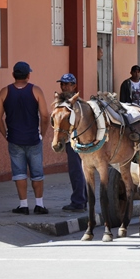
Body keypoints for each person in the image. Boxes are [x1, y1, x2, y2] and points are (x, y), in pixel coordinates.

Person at [0, 61, 49, 215]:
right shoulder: (36, 91)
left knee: (19, 173)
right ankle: (39, 205)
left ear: (13, 75)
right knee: (37, 173)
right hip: (33, 138)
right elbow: (45, 116)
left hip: (14, 139)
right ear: (28, 75)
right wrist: (42, 134)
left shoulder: (4, 92)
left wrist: (5, 133)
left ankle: (23, 205)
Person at [56, 73, 87, 212]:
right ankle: (82, 199)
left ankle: (78, 201)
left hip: (77, 141)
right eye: (62, 84)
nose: (64, 87)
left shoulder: (77, 103)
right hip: (70, 141)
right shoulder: (62, 102)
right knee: (78, 171)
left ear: (74, 86)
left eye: (67, 84)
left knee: (76, 171)